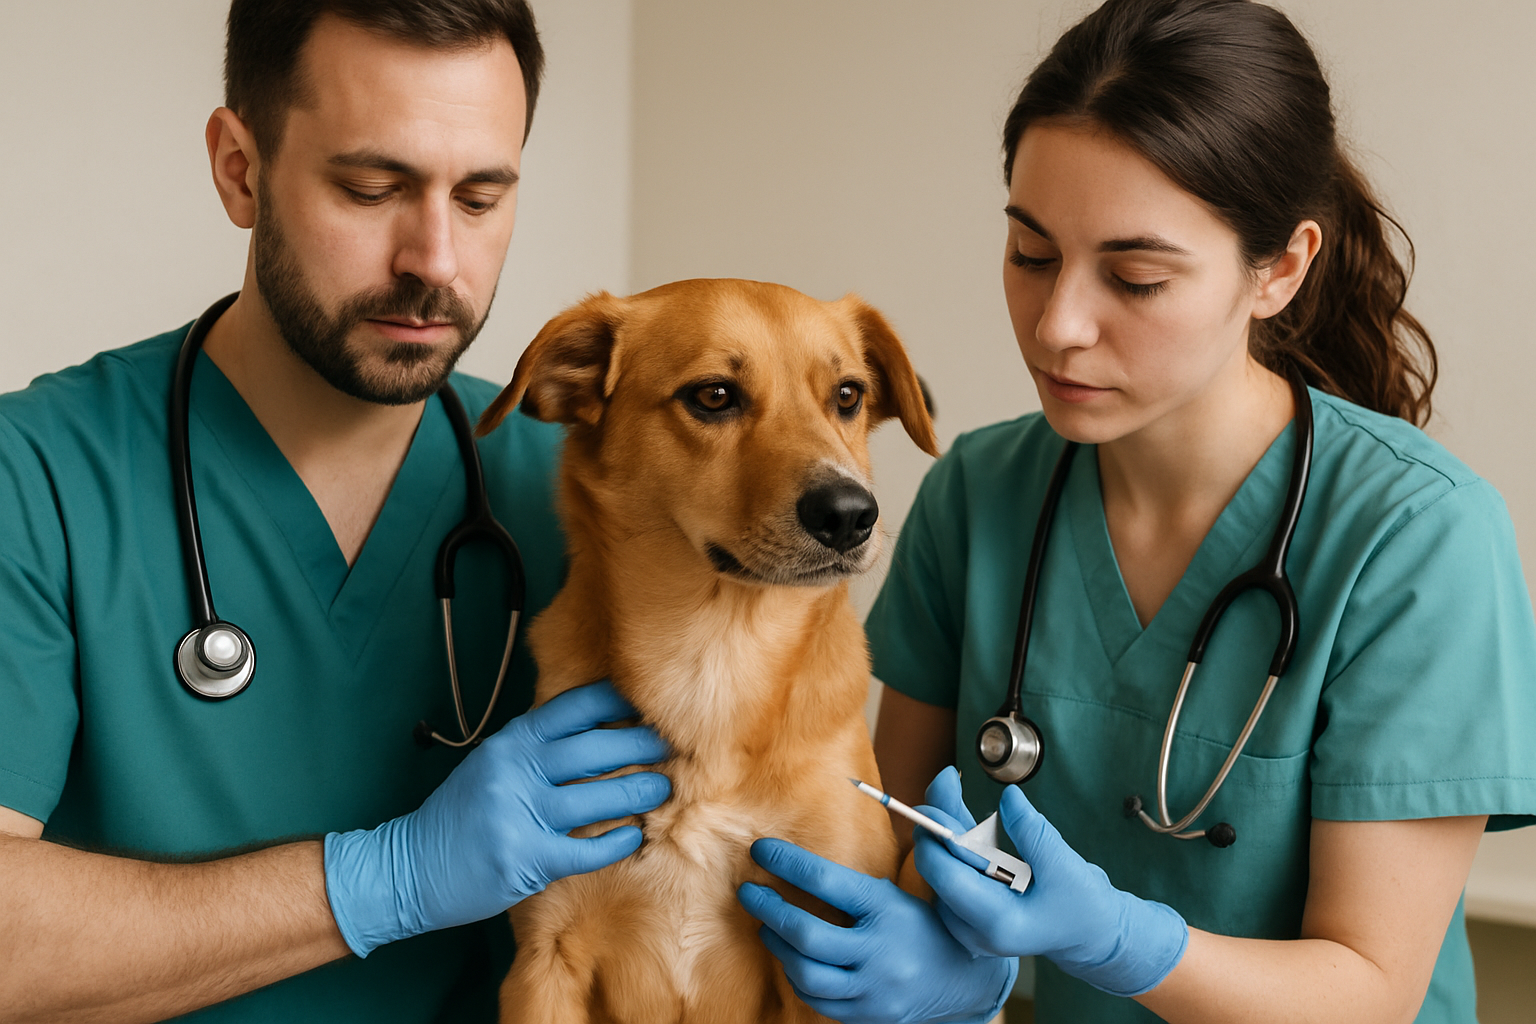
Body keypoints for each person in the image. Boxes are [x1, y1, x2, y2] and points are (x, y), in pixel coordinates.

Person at [738, 1, 1536, 1021]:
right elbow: (897, 839)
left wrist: (1117, 941)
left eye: (1136, 277)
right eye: (1031, 255)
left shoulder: (1419, 537)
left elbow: (1371, 989)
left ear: (1280, 270)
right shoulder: (979, 496)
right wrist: (937, 963)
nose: (1059, 325)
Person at [0, 2, 671, 1021]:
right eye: (372, 187)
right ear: (239, 167)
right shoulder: (40, 474)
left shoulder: (588, 498)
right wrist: (381, 878)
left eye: (482, 196)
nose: (435, 259)